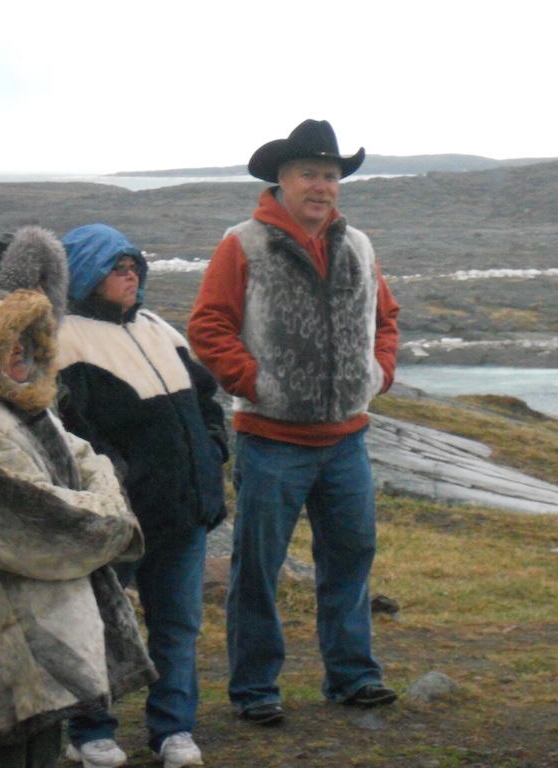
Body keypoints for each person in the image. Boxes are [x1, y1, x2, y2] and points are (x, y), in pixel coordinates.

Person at [0, 226, 154, 768]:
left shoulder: (17, 404)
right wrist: (113, 515)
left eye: (35, 338)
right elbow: (46, 526)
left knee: (35, 749)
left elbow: (87, 460)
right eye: (11, 339)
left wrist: (100, 490)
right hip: (0, 647)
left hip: (32, 644)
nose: (26, 353)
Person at [188, 118, 401, 725]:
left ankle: (353, 676)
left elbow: (386, 319)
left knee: (352, 558)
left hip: (347, 440)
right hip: (271, 441)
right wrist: (259, 385)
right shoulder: (244, 244)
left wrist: (377, 374)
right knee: (257, 569)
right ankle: (255, 689)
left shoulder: (358, 245)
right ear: (281, 179)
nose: (321, 185)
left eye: (331, 175)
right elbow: (207, 326)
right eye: (309, 173)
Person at [56, 223, 228, 768]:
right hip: (120, 521)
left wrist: (214, 446)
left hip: (183, 514)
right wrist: (121, 478)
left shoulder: (157, 327)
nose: (131, 276)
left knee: (176, 626)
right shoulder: (65, 338)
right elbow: (71, 428)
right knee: (99, 626)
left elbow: (205, 399)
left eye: (134, 266)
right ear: (85, 274)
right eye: (117, 268)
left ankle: (173, 730)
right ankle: (90, 731)